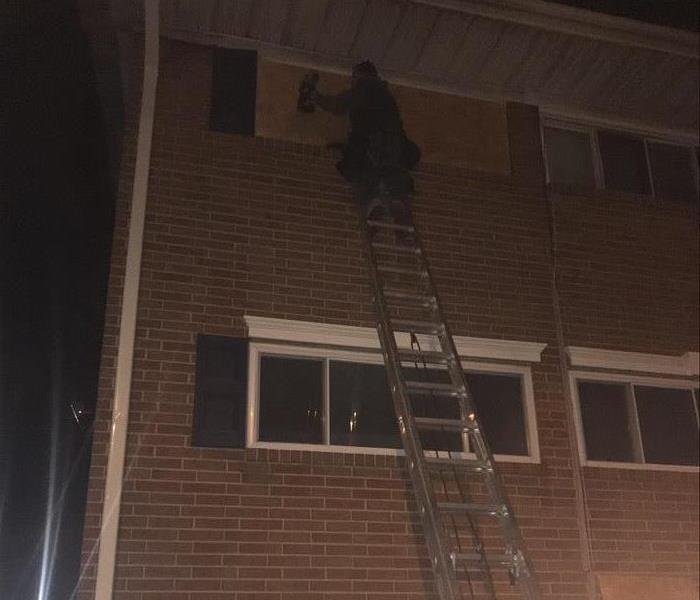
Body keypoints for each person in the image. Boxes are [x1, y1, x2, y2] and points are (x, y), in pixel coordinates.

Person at [302, 61, 420, 223]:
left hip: (371, 141)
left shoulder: (364, 88)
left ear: (359, 75)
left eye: (354, 77)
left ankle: (374, 203)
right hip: (396, 143)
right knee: (393, 170)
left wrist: (314, 96)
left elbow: (338, 105)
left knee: (365, 170)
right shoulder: (386, 94)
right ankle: (397, 200)